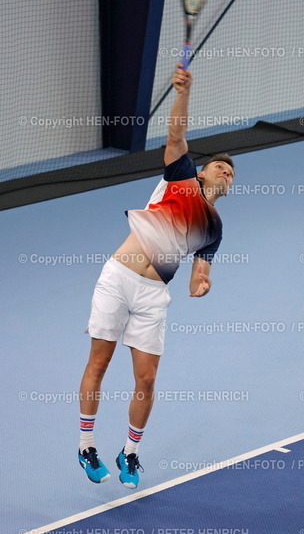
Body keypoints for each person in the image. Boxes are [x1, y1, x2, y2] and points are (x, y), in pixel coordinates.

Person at [78, 64, 235, 488]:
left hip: (153, 296)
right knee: (100, 361)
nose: (226, 171)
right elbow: (176, 136)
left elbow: (196, 277)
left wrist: (201, 285)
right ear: (200, 172)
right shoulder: (179, 178)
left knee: (146, 378)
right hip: (118, 278)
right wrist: (182, 92)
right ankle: (86, 444)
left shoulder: (214, 229)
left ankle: (130, 453)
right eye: (220, 165)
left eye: (232, 173)